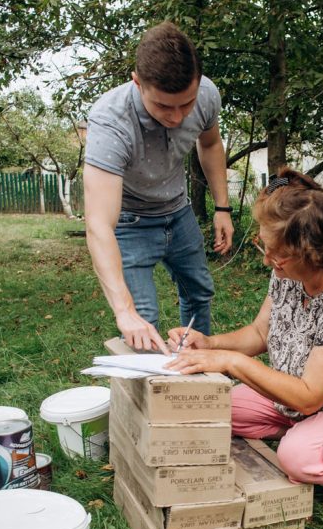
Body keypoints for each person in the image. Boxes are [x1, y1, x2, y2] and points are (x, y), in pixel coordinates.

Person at [165, 169, 323, 516]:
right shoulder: (288, 268)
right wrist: (209, 343)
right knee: (211, 407)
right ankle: (308, 433)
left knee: (298, 457)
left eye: (275, 254)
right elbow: (259, 333)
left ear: (312, 254)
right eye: (264, 247)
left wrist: (231, 362)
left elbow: (310, 396)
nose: (267, 260)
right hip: (294, 398)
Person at [83, 21, 233, 352]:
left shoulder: (206, 94)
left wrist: (222, 207)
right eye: (164, 106)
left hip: (179, 213)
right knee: (142, 321)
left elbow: (209, 145)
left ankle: (194, 377)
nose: (178, 117)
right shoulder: (111, 122)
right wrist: (124, 311)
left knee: (199, 292)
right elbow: (98, 224)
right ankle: (152, 400)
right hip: (130, 221)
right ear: (138, 83)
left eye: (187, 103)